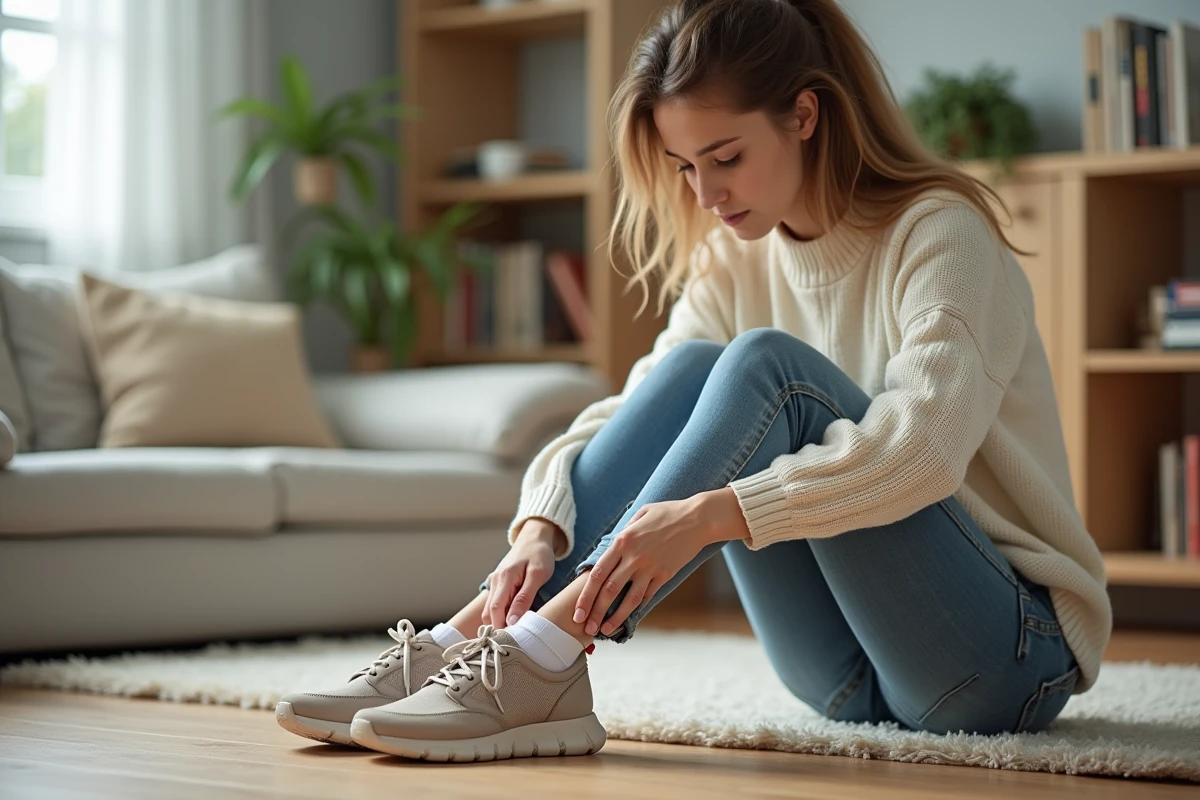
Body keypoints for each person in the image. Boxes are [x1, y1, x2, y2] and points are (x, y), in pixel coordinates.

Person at [276, 0, 1111, 760]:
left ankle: (543, 655)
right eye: (683, 167)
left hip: (999, 661)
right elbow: (628, 410)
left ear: (805, 115)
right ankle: (468, 638)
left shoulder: (940, 234)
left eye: (726, 157)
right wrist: (541, 526)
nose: (707, 194)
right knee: (693, 368)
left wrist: (714, 513)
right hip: (842, 677)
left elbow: (923, 447)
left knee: (765, 367)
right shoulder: (734, 257)